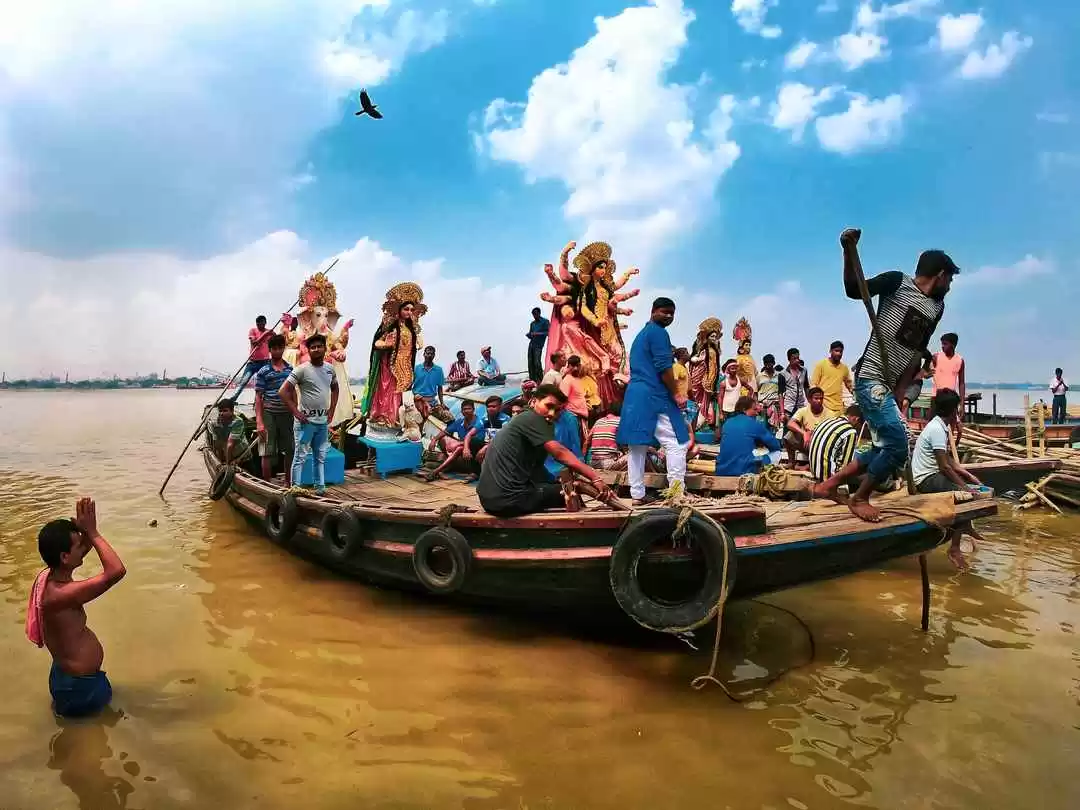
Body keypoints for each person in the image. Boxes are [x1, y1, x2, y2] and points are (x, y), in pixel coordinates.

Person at [814, 229, 958, 521]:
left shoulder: (936, 307)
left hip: (889, 384)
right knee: (897, 447)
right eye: (950, 280)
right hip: (869, 377)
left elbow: (917, 350)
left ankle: (828, 485)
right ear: (940, 275)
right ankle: (859, 497)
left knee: (882, 445)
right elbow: (855, 290)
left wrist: (901, 389)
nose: (950, 286)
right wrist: (848, 251)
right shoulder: (897, 282)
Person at [27, 498, 126, 717]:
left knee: (85, 734)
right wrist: (94, 534)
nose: (84, 546)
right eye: (78, 544)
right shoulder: (62, 595)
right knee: (91, 747)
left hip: (72, 680)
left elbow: (78, 552)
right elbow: (116, 571)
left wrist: (86, 532)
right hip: (79, 688)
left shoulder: (50, 576)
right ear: (64, 557)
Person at [477, 385, 611, 517]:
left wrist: (557, 481)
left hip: (489, 500)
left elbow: (538, 469)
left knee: (561, 488)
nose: (552, 414)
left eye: (558, 410)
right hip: (508, 499)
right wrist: (595, 478)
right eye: (549, 406)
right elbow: (560, 453)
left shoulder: (531, 421)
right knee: (571, 491)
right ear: (533, 401)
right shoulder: (531, 418)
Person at [616, 297, 690, 506]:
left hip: (635, 396)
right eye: (665, 312)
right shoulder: (658, 333)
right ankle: (677, 493)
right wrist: (676, 393)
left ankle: (637, 495)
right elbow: (664, 367)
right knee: (678, 443)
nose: (669, 316)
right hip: (653, 395)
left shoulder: (641, 335)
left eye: (672, 313)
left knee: (637, 447)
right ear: (653, 311)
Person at [911, 389, 982, 568]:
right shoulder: (937, 429)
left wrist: (967, 475)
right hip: (925, 479)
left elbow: (947, 458)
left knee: (965, 490)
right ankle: (955, 549)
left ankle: (965, 526)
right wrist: (965, 488)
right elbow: (944, 466)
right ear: (953, 411)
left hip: (931, 474)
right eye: (957, 409)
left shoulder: (939, 425)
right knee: (965, 498)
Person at [279, 333, 339, 495]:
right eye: (313, 347)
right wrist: (296, 412)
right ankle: (295, 488)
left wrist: (332, 410)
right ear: (308, 350)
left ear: (325, 349)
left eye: (320, 346)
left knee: (320, 456)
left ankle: (320, 488)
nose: (317, 349)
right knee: (300, 456)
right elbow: (283, 391)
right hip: (307, 424)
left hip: (322, 422)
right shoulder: (301, 370)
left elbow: (335, 388)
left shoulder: (329, 369)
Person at [254, 334, 295, 484]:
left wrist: (296, 411)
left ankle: (288, 482)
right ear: (270, 350)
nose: (277, 351)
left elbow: (293, 392)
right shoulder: (263, 371)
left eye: (280, 348)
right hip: (269, 412)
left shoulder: (290, 369)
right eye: (274, 348)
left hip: (286, 413)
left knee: (290, 449)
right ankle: (266, 483)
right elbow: (259, 397)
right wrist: (259, 422)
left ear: (283, 349)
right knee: (266, 450)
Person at [713, 397, 782, 476]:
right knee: (777, 453)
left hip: (721, 470)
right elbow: (775, 446)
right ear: (744, 410)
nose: (757, 413)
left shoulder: (727, 422)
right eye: (754, 409)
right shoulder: (754, 423)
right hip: (744, 470)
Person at [426, 400, 481, 479]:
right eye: (464, 409)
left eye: (469, 409)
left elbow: (476, 442)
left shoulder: (479, 423)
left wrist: (458, 444)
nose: (466, 411)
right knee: (443, 439)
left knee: (459, 447)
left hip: (473, 451)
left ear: (473, 409)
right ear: (461, 411)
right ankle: (449, 464)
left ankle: (436, 471)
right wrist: (434, 440)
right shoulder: (460, 422)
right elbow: (445, 431)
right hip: (463, 451)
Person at [808, 405, 863, 483]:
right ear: (856, 419)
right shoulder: (850, 431)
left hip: (814, 471)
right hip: (828, 478)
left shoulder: (827, 421)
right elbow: (846, 465)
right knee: (865, 474)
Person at [784, 387, 829, 466]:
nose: (819, 401)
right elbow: (790, 423)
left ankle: (810, 466)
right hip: (807, 443)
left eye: (821, 398)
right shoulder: (803, 410)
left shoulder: (829, 413)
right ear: (809, 400)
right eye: (816, 398)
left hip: (821, 446)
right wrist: (804, 433)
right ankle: (791, 463)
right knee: (789, 435)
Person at [811, 341, 854, 417]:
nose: (839, 354)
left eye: (841, 351)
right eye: (836, 351)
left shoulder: (844, 368)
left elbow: (849, 385)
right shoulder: (821, 365)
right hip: (824, 406)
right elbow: (814, 385)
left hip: (839, 407)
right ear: (830, 351)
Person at [235, 315, 275, 395]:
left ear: (265, 323)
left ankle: (259, 401)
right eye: (258, 324)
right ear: (256, 324)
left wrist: (273, 335)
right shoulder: (253, 331)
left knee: (263, 384)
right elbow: (255, 343)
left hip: (265, 362)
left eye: (262, 324)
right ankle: (232, 400)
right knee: (243, 381)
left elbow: (275, 343)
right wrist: (265, 334)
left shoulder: (269, 333)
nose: (260, 325)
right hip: (253, 362)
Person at [584, 402, 628, 471]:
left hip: (593, 463)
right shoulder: (620, 421)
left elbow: (586, 443)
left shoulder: (598, 421)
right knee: (636, 454)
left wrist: (584, 463)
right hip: (609, 463)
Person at [412, 345, 445, 422]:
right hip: (419, 399)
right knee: (425, 415)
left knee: (448, 416)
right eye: (428, 353)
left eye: (431, 354)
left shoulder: (438, 370)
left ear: (434, 355)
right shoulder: (416, 368)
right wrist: (414, 394)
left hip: (433, 400)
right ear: (424, 354)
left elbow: (440, 388)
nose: (429, 355)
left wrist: (442, 403)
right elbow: (409, 385)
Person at [777, 348, 810, 425]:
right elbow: (780, 394)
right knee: (788, 431)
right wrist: (782, 413)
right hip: (789, 407)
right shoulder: (783, 374)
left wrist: (810, 403)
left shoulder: (804, 370)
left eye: (798, 358)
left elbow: (806, 387)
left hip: (801, 406)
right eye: (794, 358)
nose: (797, 360)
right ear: (789, 359)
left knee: (802, 429)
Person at [559, 355, 591, 430]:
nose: (576, 368)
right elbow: (562, 399)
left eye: (577, 366)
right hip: (572, 418)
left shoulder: (577, 379)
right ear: (569, 366)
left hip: (580, 418)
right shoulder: (567, 380)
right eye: (573, 366)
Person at [933, 332, 965, 404]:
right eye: (942, 344)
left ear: (953, 345)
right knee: (930, 415)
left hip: (951, 397)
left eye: (945, 344)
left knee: (954, 415)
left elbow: (961, 383)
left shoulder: (959, 360)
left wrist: (962, 403)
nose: (942, 346)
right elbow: (926, 373)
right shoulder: (936, 357)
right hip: (937, 396)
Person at [526, 307, 550, 383]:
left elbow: (549, 333)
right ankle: (532, 380)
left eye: (535, 314)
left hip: (538, 345)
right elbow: (531, 333)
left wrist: (537, 334)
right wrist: (529, 335)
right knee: (530, 362)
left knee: (537, 362)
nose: (534, 316)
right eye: (533, 314)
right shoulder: (532, 324)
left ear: (539, 313)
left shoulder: (545, 322)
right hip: (531, 344)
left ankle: (540, 380)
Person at [757, 354, 781, 428]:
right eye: (766, 363)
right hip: (762, 406)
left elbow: (782, 392)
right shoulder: (759, 376)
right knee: (761, 429)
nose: (768, 365)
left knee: (773, 430)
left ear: (773, 363)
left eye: (770, 363)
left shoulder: (779, 376)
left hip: (775, 406)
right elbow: (755, 392)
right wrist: (757, 405)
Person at [717, 359, 742, 428]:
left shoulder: (740, 380)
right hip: (725, 410)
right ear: (728, 370)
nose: (734, 370)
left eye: (735, 368)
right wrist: (720, 413)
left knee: (736, 427)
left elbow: (750, 389)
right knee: (725, 428)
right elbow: (720, 397)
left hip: (737, 409)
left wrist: (744, 400)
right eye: (732, 368)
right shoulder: (723, 382)